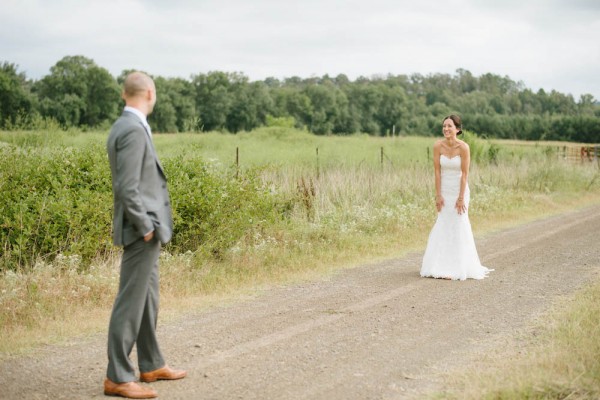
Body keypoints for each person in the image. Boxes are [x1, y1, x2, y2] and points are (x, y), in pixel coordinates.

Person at [104, 71, 186, 399]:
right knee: (131, 301)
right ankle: (118, 377)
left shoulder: (128, 125)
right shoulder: (132, 128)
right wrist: (146, 226)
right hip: (142, 231)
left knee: (148, 299)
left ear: (126, 94)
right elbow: (127, 187)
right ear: (149, 93)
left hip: (146, 230)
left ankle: (151, 364)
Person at [420, 114, 493, 281]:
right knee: (443, 222)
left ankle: (459, 265)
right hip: (444, 190)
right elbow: (437, 172)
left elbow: (465, 175)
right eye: (444, 126)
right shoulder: (438, 146)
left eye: (449, 126)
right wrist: (438, 195)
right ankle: (439, 265)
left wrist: (461, 198)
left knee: (459, 223)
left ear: (457, 129)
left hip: (460, 190)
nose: (446, 129)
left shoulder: (464, 148)